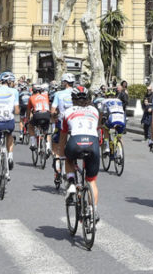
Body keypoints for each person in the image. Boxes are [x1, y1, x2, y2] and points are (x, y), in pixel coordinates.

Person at [61, 85, 102, 221]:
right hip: (92, 144)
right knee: (91, 181)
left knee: (68, 159)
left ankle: (72, 182)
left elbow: (63, 135)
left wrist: (62, 154)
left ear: (73, 99)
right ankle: (94, 210)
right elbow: (98, 128)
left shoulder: (68, 111)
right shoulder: (94, 111)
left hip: (75, 142)